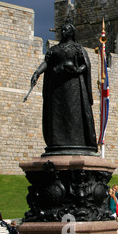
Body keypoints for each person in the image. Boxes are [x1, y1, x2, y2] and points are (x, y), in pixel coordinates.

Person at [29, 18, 97, 156]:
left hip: (73, 87)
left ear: (71, 32)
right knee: (57, 116)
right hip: (56, 88)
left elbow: (86, 65)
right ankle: (57, 143)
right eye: (62, 30)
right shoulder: (55, 49)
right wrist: (37, 72)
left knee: (74, 115)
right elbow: (47, 63)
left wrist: (78, 70)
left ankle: (77, 142)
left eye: (66, 30)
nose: (63, 32)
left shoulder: (78, 48)